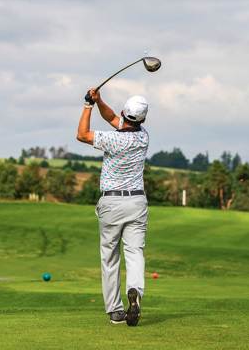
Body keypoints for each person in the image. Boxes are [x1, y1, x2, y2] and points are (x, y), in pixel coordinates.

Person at [76, 88, 150, 327]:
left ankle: (116, 312)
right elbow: (111, 119)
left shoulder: (114, 138)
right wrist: (99, 102)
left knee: (110, 257)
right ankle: (135, 290)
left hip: (112, 203)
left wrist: (88, 106)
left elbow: (82, 134)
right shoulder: (144, 136)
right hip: (137, 201)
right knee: (135, 251)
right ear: (143, 119)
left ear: (123, 112)